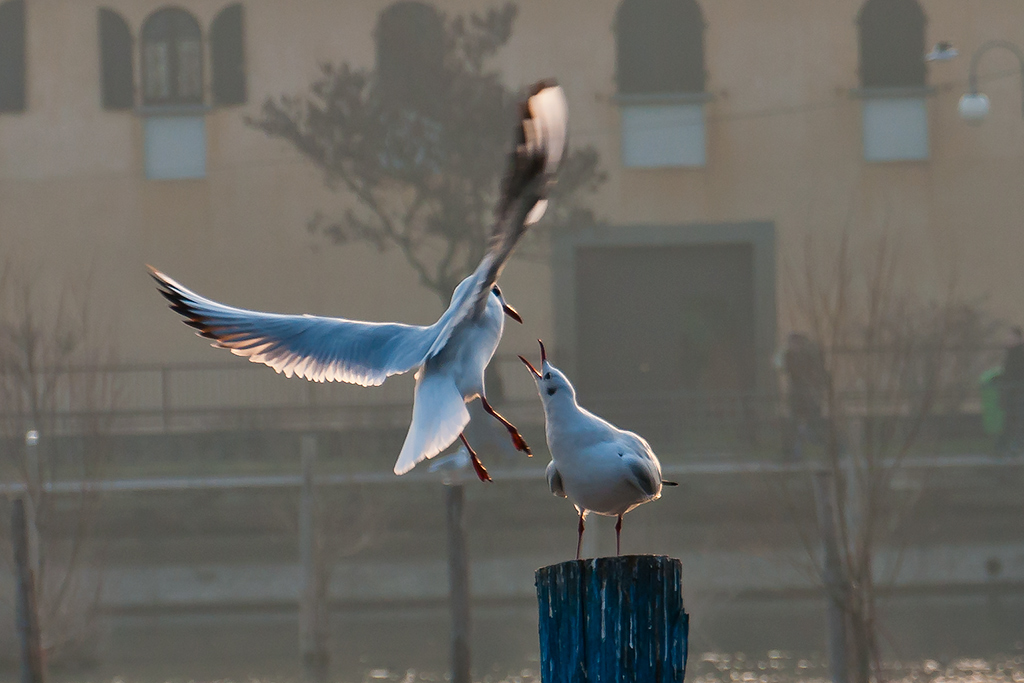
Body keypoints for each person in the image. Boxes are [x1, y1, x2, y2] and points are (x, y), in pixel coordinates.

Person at [781, 333, 828, 460]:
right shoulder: (788, 356)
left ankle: (821, 446)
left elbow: (811, 374)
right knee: (797, 425)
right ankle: (797, 452)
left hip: (807, 396)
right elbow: (788, 370)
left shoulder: (808, 357)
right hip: (797, 396)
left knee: (810, 424)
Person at [999, 327, 1024, 451]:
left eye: (1010, 337)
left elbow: (1016, 373)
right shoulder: (1011, 352)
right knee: (1011, 418)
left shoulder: (1018, 353)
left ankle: (1015, 445)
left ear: (1018, 339)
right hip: (1012, 391)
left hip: (1017, 391)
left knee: (1016, 418)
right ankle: (1009, 445)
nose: (1007, 339)